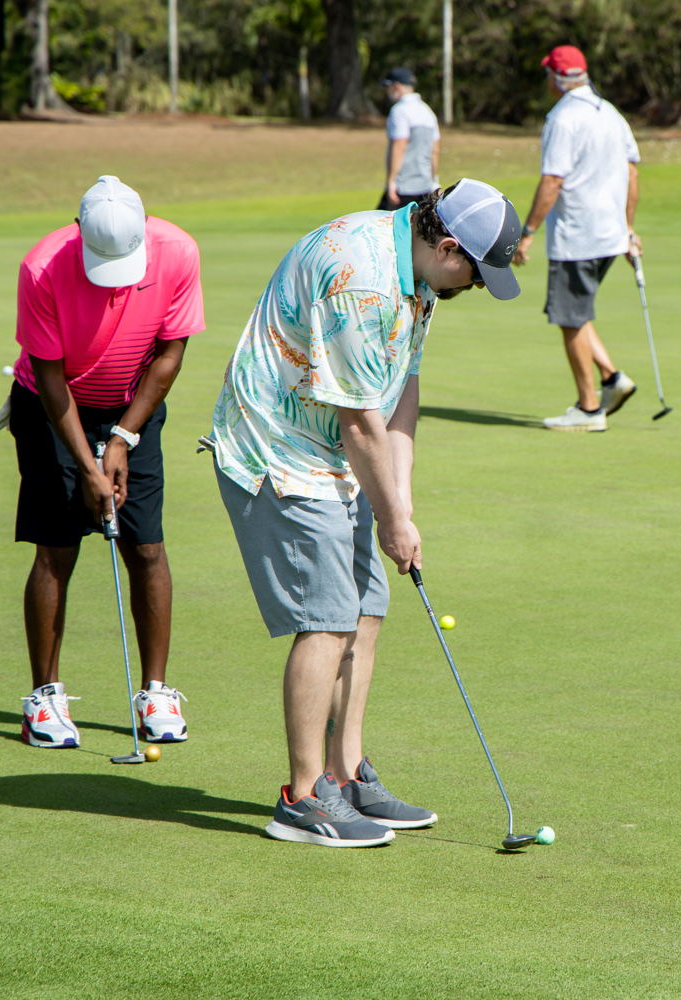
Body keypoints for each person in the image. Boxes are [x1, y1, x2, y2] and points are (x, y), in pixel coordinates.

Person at [204, 179, 521, 847]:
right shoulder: (364, 282)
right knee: (326, 616)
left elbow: (401, 389)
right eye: (477, 273)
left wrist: (397, 506)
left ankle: (346, 776)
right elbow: (360, 422)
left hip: (334, 448)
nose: (474, 287)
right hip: (278, 447)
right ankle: (303, 794)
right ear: (450, 245)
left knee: (367, 605)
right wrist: (394, 518)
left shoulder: (422, 274)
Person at [7, 175, 204, 749]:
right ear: (78, 232)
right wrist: (88, 466)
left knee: (145, 544)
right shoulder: (42, 266)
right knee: (57, 547)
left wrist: (121, 439)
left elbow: (170, 354)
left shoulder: (177, 252)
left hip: (134, 406)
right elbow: (48, 376)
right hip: (53, 407)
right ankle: (43, 699)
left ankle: (156, 691)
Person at [512, 44, 642, 433]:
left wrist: (528, 233)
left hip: (578, 235)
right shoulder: (612, 113)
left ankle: (589, 410)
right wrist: (629, 228)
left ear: (556, 78)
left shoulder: (562, 117)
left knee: (568, 318)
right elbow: (632, 173)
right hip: (609, 234)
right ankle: (611, 378)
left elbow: (553, 180)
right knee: (577, 311)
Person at [378, 67, 441, 210]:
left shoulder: (399, 111)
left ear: (396, 87)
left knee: (381, 227)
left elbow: (399, 146)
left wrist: (391, 182)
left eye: (388, 87)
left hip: (403, 188)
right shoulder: (427, 111)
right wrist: (434, 180)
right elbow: (435, 150)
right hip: (425, 187)